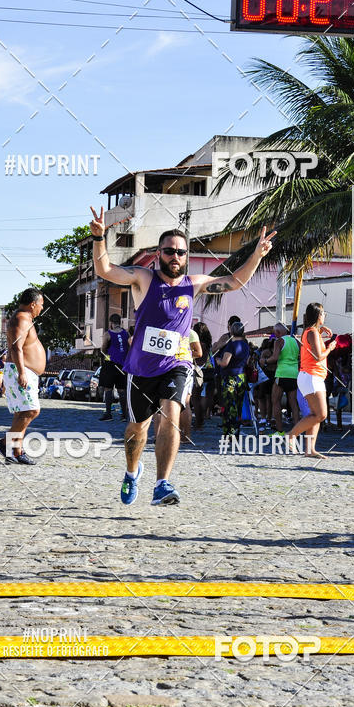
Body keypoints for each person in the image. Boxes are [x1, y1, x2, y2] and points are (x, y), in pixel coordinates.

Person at [89, 205, 275, 505]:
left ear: (186, 256)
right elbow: (105, 270)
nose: (175, 257)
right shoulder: (142, 278)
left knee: (171, 416)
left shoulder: (195, 284)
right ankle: (132, 472)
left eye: (181, 252)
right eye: (169, 251)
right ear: (158, 253)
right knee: (137, 428)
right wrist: (99, 239)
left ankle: (162, 483)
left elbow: (234, 282)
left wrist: (257, 254)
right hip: (141, 368)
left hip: (177, 363)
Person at [0, 288, 45, 465]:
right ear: (33, 304)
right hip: (20, 370)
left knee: (22, 413)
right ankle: (6, 442)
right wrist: (22, 372)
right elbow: (16, 347)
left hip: (24, 370)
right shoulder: (22, 318)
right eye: (41, 305)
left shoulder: (25, 318)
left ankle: (16, 452)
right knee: (32, 410)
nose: (41, 308)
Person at [287, 303, 338, 458]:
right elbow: (318, 356)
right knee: (321, 415)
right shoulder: (312, 333)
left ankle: (310, 449)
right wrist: (331, 347)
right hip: (311, 376)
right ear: (318, 315)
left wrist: (321, 330)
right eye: (323, 314)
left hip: (313, 376)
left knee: (315, 414)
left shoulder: (312, 331)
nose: (325, 316)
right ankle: (291, 435)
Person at [216, 321, 250, 437]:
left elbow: (225, 363)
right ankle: (236, 432)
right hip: (241, 376)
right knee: (239, 406)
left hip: (230, 377)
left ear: (231, 331)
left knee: (228, 405)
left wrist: (218, 360)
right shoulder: (246, 345)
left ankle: (228, 433)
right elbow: (248, 362)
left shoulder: (231, 345)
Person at [264, 323, 300, 434]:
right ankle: (297, 431)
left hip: (282, 373)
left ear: (278, 333)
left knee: (275, 401)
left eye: (275, 333)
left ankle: (280, 431)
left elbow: (274, 358)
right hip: (294, 374)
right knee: (293, 403)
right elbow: (301, 357)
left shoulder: (278, 341)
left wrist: (264, 361)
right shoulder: (296, 341)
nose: (275, 335)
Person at [98, 314, 129, 421]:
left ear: (111, 323)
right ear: (120, 322)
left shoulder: (108, 334)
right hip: (123, 365)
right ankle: (124, 415)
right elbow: (129, 348)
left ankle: (108, 414)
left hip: (110, 364)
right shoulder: (126, 333)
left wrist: (106, 353)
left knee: (108, 389)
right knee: (122, 391)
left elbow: (103, 349)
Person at [190, 322, 214, 430]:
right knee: (206, 397)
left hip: (199, 371)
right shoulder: (208, 343)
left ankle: (198, 422)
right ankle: (202, 419)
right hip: (210, 371)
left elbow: (198, 359)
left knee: (195, 397)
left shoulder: (199, 344)